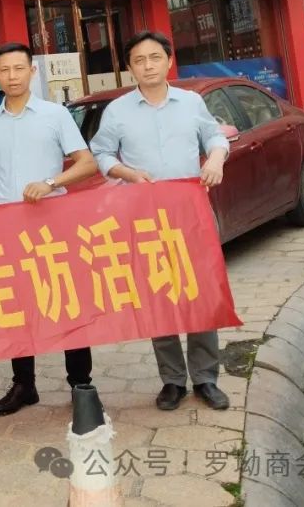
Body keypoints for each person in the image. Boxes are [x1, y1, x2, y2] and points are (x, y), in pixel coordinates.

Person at [90, 31, 230, 412]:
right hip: (145, 217)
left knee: (200, 293)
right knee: (159, 295)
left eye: (155, 57)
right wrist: (127, 172)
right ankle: (172, 380)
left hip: (191, 214)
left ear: (169, 61)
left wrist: (216, 159)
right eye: (139, 60)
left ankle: (206, 378)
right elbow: (101, 153)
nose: (148, 66)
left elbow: (215, 137)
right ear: (129, 67)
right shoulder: (117, 111)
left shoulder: (191, 102)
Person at [0, 43, 99, 416]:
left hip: (52, 223)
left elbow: (87, 164)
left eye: (18, 68)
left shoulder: (55, 115)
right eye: (4, 70)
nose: (12, 76)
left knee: (67, 301)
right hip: (6, 225)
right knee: (17, 307)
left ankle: (81, 384)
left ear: (32, 71)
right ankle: (24, 385)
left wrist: (50, 182)